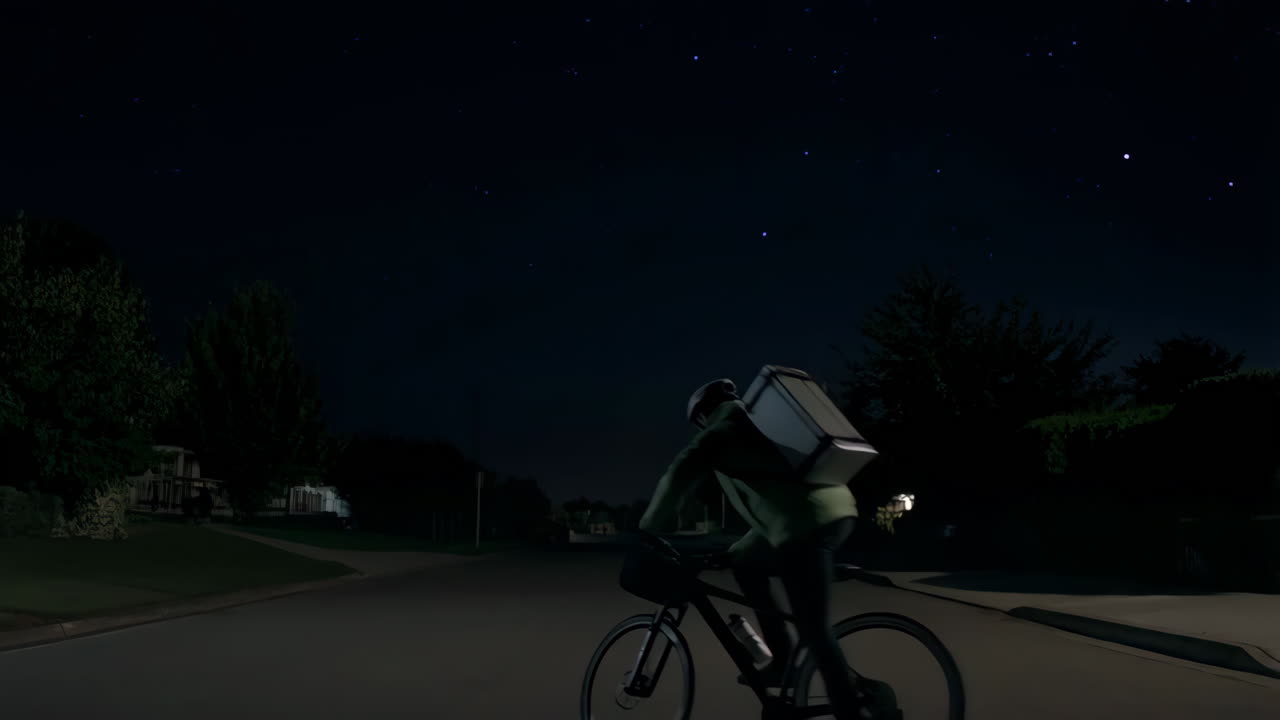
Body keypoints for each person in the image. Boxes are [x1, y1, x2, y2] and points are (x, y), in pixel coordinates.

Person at [639, 378, 893, 720]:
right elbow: (774, 510)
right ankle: (784, 658)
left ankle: (852, 713)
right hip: (822, 514)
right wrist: (734, 552)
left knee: (813, 628)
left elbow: (680, 471)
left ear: (703, 415)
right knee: (745, 565)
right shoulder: (755, 426)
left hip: (806, 527)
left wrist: (648, 529)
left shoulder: (723, 431)